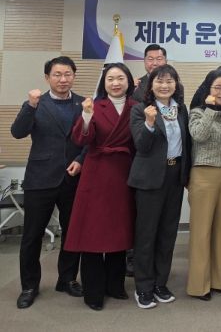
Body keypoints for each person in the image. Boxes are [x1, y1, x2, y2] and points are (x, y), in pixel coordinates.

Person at [11, 56, 86, 309]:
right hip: (40, 178)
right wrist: (30, 106)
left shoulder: (83, 104)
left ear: (74, 76)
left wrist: (81, 159)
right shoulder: (36, 103)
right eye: (57, 75)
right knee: (32, 236)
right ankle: (29, 286)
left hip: (72, 177)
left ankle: (67, 279)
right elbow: (18, 132)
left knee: (72, 233)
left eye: (68, 74)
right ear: (47, 78)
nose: (63, 79)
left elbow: (91, 139)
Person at [65, 63, 137, 310]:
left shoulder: (136, 107)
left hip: (123, 174)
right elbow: (81, 139)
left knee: (119, 231)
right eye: (110, 79)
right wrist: (86, 116)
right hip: (96, 174)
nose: (115, 83)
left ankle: (115, 286)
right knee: (93, 234)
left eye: (120, 78)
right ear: (103, 83)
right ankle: (93, 292)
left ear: (129, 81)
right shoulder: (94, 106)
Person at [128, 64, 191, 309]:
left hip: (175, 175)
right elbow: (141, 146)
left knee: (167, 233)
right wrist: (150, 122)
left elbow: (187, 144)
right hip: (150, 177)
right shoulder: (141, 109)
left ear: (176, 84)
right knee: (146, 234)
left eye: (169, 81)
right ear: (150, 85)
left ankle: (160, 283)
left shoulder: (181, 109)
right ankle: (143, 287)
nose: (164, 85)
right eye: (159, 81)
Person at [186, 69, 221, 300]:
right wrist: (210, 109)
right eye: (217, 87)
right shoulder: (198, 112)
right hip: (204, 175)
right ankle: (199, 285)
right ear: (208, 89)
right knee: (201, 232)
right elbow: (199, 135)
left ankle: (218, 280)